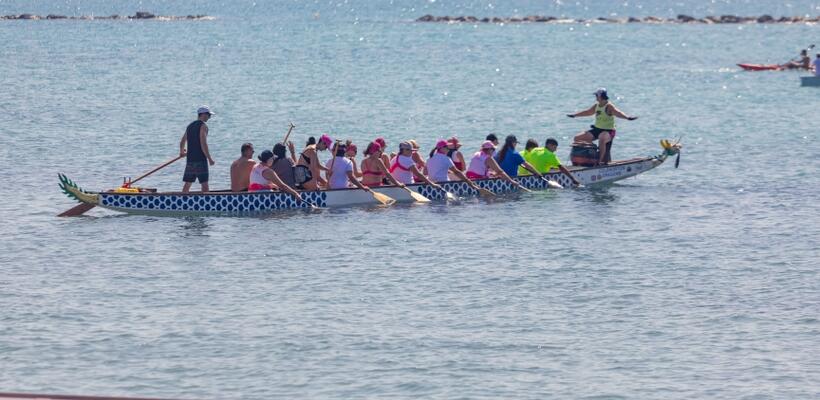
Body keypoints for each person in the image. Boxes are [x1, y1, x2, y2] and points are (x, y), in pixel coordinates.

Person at [567, 88, 637, 165]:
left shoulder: (609, 106)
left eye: (596, 95)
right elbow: (588, 112)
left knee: (602, 137)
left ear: (600, 96)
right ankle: (590, 155)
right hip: (597, 129)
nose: (596, 97)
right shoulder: (596, 105)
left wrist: (627, 117)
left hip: (609, 131)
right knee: (577, 138)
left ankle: (600, 161)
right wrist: (574, 115)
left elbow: (618, 113)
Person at [179, 105, 215, 192]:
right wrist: (209, 159)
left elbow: (182, 141)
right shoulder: (203, 126)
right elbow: (203, 143)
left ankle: (182, 201)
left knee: (188, 183)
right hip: (200, 160)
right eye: (208, 115)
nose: (209, 117)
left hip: (190, 160)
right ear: (202, 114)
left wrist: (181, 152)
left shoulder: (190, 126)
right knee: (204, 184)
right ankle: (207, 203)